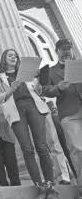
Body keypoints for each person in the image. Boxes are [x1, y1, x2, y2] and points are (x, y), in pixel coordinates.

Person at [0, 49, 58, 199]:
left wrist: (39, 76)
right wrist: (12, 88)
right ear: (4, 59)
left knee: (42, 146)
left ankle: (50, 184)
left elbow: (40, 91)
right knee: (27, 149)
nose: (14, 57)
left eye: (15, 55)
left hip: (33, 106)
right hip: (16, 111)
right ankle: (39, 185)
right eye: (10, 55)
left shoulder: (27, 73)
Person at [42, 38, 82, 186]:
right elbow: (45, 89)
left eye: (68, 48)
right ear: (56, 51)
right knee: (78, 150)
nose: (66, 51)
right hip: (69, 114)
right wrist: (58, 87)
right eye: (62, 49)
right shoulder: (49, 70)